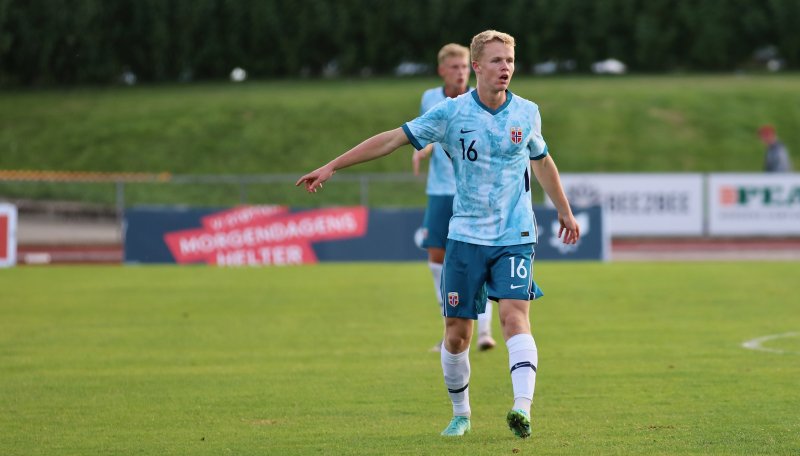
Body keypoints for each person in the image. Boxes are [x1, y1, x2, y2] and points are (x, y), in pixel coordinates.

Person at [296, 30, 580, 440]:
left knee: (514, 316)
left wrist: (565, 211)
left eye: (510, 61)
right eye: (497, 61)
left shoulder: (527, 113)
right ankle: (461, 413)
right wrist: (332, 166)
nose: (506, 68)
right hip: (465, 236)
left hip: (515, 234)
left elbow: (543, 161)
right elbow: (393, 139)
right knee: (456, 334)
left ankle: (522, 409)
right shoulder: (450, 113)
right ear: (477, 66)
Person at [412, 43, 496, 353]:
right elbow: (426, 133)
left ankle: (485, 329)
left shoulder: (480, 97)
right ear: (443, 70)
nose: (461, 72)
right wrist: (420, 150)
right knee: (436, 256)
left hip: (472, 192)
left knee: (480, 258)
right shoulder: (430, 99)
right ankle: (448, 326)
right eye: (455, 67)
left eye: (464, 66)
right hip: (440, 189)